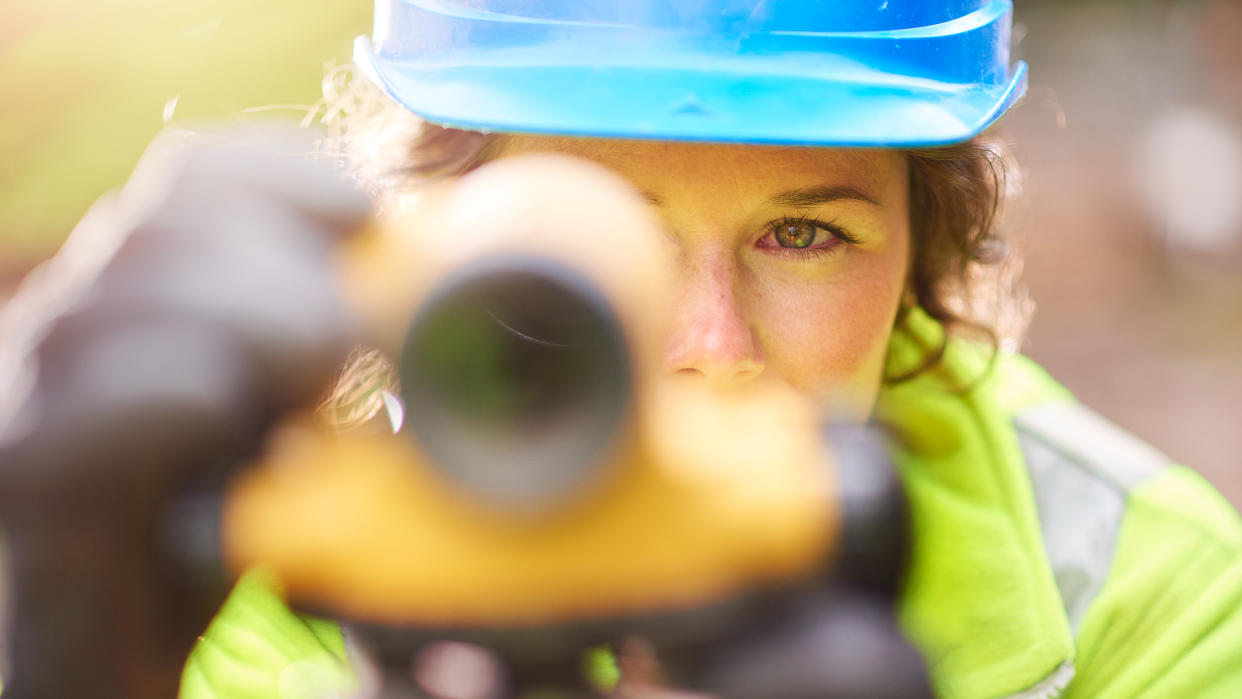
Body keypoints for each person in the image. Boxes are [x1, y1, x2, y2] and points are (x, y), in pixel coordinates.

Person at [3, 1, 1241, 698]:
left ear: (924, 255)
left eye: (804, 235)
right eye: (602, 242)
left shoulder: (1152, 597)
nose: (709, 347)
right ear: (416, 231)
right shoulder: (191, 571)